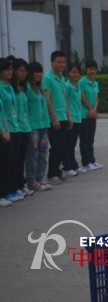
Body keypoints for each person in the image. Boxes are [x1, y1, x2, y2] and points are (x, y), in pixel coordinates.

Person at [42, 51, 73, 185]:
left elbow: (65, 99)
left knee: (63, 146)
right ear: (52, 63)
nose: (61, 64)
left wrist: (69, 116)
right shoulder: (47, 78)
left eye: (63, 62)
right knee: (56, 146)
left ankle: (58, 172)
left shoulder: (62, 78)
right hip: (54, 118)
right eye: (58, 62)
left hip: (63, 116)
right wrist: (53, 118)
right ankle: (51, 174)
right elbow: (47, 99)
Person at [25, 62, 52, 191]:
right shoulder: (28, 88)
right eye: (36, 71)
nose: (38, 74)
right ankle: (31, 180)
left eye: (40, 71)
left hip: (44, 124)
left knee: (43, 152)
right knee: (33, 153)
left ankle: (40, 178)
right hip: (33, 126)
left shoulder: (40, 87)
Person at [0, 58, 23, 203]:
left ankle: (10, 190)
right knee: (4, 163)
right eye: (7, 69)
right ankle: (2, 193)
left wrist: (9, 128)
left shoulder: (9, 86)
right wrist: (4, 131)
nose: (10, 72)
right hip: (3, 131)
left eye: (11, 69)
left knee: (13, 161)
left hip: (12, 128)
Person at [11, 59, 34, 197]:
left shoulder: (24, 88)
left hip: (25, 128)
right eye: (20, 70)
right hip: (16, 127)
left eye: (25, 71)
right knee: (14, 160)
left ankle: (20, 184)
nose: (23, 73)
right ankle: (13, 186)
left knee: (21, 160)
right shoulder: (11, 89)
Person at [79, 60, 103, 171]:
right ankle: (86, 162)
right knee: (85, 139)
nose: (92, 71)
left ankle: (92, 160)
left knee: (91, 139)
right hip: (85, 114)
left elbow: (97, 97)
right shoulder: (82, 82)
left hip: (92, 114)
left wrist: (94, 110)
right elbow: (82, 97)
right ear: (86, 70)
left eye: (94, 69)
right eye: (90, 69)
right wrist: (90, 109)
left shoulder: (95, 82)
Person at [62, 63, 86, 176]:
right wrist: (69, 116)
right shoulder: (67, 86)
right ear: (69, 73)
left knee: (73, 144)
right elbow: (65, 101)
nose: (75, 74)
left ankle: (74, 165)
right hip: (70, 118)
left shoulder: (77, 85)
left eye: (77, 72)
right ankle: (67, 166)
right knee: (67, 144)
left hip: (78, 117)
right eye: (73, 72)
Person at [0, 69, 11, 207]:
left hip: (5, 130)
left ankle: (4, 192)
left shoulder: (8, 87)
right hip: (2, 133)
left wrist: (6, 129)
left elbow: (3, 114)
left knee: (5, 162)